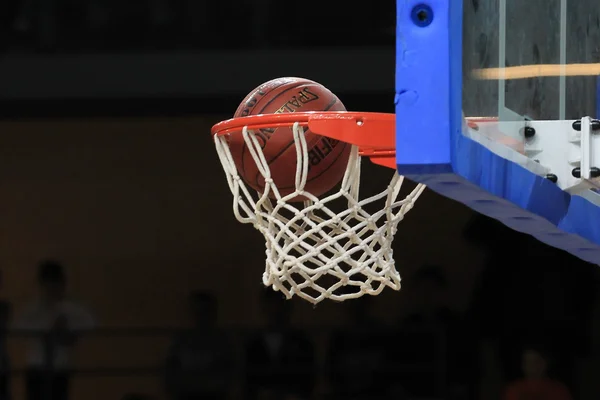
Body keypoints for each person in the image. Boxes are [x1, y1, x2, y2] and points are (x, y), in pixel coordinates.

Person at [14, 260, 95, 400]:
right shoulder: (33, 309)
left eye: (54, 283)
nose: (51, 288)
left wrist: (68, 332)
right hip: (37, 366)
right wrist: (51, 328)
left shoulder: (72, 309)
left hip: (60, 367)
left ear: (62, 283)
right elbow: (19, 328)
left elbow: (90, 323)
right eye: (48, 284)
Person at [245, 289, 315, 400]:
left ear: (287, 308)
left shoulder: (301, 342)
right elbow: (247, 378)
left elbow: (309, 375)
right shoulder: (254, 343)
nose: (275, 310)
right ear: (264, 308)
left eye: (278, 305)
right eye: (271, 305)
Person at [165, 291, 233, 400]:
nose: (200, 317)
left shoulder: (222, 342)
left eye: (204, 312)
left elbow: (225, 377)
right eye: (196, 311)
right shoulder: (179, 341)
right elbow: (170, 374)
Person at [503, 347, 572, 400]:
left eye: (535, 361)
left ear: (545, 363)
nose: (531, 366)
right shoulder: (513, 390)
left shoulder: (559, 390)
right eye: (527, 362)